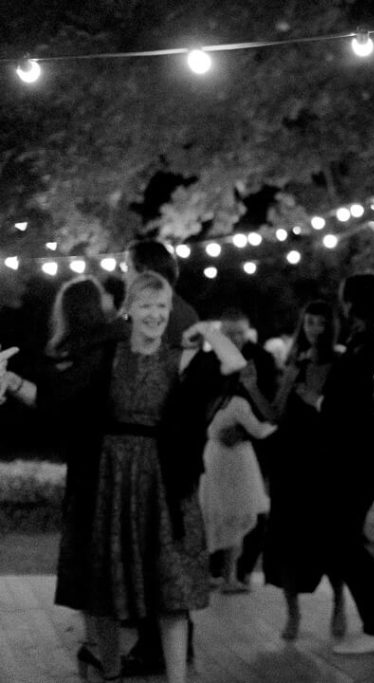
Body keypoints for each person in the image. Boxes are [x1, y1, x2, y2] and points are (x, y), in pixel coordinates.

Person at [50, 272, 241, 683]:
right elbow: (62, 395)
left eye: (161, 306)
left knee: (171, 592)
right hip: (111, 479)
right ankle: (112, 671)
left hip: (164, 480)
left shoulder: (182, 356)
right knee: (105, 589)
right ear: (129, 310)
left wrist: (207, 331)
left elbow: (234, 363)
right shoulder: (109, 354)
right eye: (146, 305)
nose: (155, 314)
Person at [0, 277, 118, 678]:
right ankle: (99, 647)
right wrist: (13, 382)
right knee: (97, 557)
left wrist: (13, 382)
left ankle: (104, 650)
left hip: (95, 466)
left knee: (93, 557)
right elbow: (54, 402)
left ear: (66, 312)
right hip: (105, 462)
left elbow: (54, 403)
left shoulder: (87, 355)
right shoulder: (103, 349)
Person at [120, 238, 203, 677]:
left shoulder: (172, 315)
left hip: (167, 457)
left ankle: (161, 650)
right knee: (160, 558)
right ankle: (161, 648)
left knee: (166, 559)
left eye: (126, 266)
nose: (123, 274)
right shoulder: (174, 308)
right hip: (161, 454)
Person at [263, 300, 348, 641]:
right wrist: (262, 386)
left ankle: (340, 603)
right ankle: (292, 612)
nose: (315, 329)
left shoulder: (340, 361)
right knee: (286, 539)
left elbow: (342, 414)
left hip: (324, 460)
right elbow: (275, 412)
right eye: (309, 322)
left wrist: (315, 397)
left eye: (320, 322)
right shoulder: (295, 361)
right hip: (290, 460)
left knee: (329, 537)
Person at [326, 273, 374, 654]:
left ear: (350, 301)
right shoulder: (367, 341)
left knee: (340, 537)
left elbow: (365, 401)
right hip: (363, 452)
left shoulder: (370, 343)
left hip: (362, 454)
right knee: (342, 537)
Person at [214, 308, 278, 586]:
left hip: (254, 444)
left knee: (254, 507)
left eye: (240, 332)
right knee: (218, 505)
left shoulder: (261, 359)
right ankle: (217, 568)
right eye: (229, 333)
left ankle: (243, 570)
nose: (236, 338)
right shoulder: (211, 359)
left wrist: (244, 431)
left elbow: (271, 406)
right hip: (217, 446)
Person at [197, 371, 276, 594]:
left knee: (213, 514)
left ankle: (209, 573)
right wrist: (278, 422)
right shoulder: (238, 403)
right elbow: (259, 431)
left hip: (212, 457)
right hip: (235, 463)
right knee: (236, 516)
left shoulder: (208, 401)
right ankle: (229, 576)